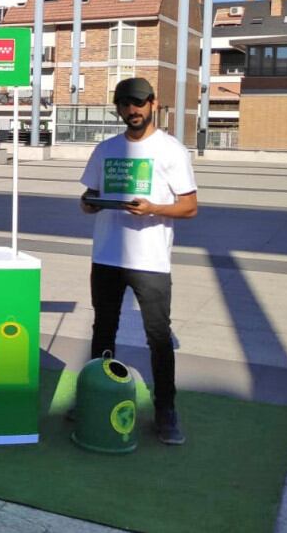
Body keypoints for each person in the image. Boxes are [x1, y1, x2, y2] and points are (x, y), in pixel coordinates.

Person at [80, 77, 197, 445]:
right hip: (107, 256)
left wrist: (154, 209)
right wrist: (89, 202)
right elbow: (89, 195)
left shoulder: (171, 150)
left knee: (158, 337)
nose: (132, 110)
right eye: (125, 104)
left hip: (151, 262)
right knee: (103, 330)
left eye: (138, 103)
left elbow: (190, 206)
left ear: (153, 104)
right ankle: (94, 398)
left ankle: (166, 412)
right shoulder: (105, 149)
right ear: (117, 108)